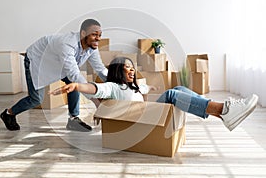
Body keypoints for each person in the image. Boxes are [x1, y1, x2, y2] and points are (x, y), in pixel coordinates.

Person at [50, 56, 259, 131]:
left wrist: (151, 88)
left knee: (176, 90)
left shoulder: (134, 87)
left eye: (133, 68)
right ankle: (223, 110)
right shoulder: (113, 87)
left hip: (145, 115)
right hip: (136, 121)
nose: (132, 71)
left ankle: (221, 112)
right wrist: (77, 86)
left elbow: (145, 88)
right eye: (127, 68)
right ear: (116, 71)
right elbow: (95, 88)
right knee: (172, 95)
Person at [0, 19, 108, 132]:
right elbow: (74, 74)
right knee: (36, 99)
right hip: (37, 60)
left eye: (100, 35)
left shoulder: (92, 47)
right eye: (94, 35)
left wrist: (117, 81)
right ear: (83, 34)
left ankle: (73, 119)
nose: (98, 39)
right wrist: (96, 101)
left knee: (73, 84)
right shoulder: (67, 43)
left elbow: (100, 68)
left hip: (58, 63)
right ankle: (8, 114)